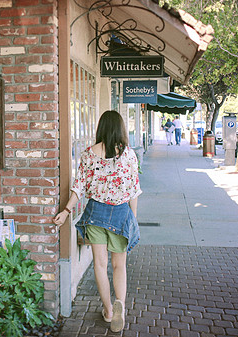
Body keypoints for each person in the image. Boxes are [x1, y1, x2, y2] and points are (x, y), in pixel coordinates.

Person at [53, 110, 142, 333]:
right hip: (121, 213)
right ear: (121, 129)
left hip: (96, 215)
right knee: (119, 265)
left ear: (101, 128)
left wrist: (66, 211)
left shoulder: (88, 155)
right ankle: (120, 301)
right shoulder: (129, 155)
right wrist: (133, 218)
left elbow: (78, 187)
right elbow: (133, 191)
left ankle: (109, 311)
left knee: (100, 266)